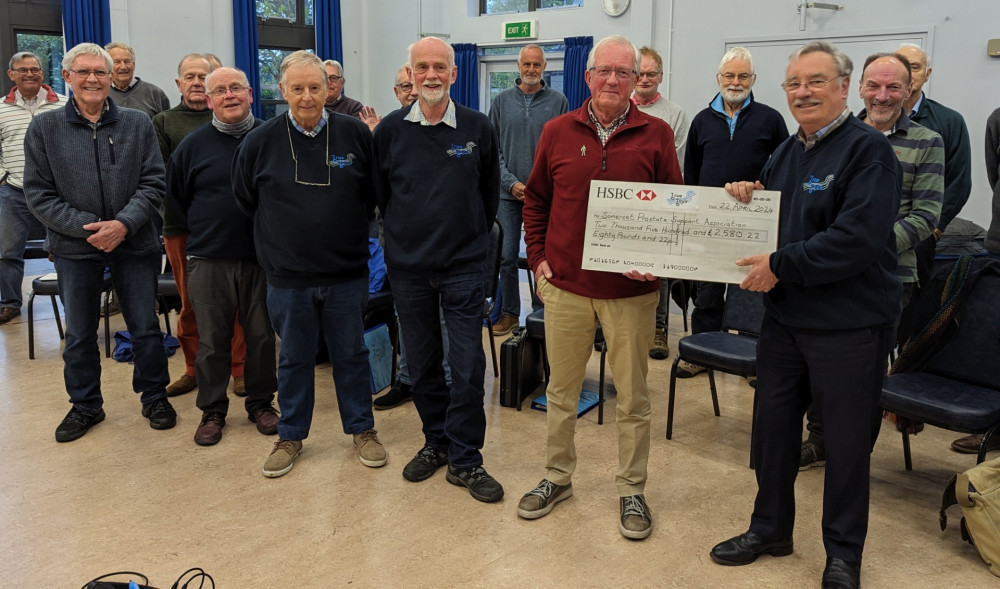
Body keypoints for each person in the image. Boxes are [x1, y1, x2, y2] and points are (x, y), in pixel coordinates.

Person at [708, 41, 901, 589]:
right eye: (794, 83)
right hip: (787, 323)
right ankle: (769, 527)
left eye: (816, 81)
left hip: (850, 326)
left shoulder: (870, 152)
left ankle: (844, 554)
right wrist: (749, 198)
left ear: (844, 87)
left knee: (843, 444)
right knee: (771, 432)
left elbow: (854, 242)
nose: (803, 92)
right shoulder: (787, 152)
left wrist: (779, 264)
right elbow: (778, 217)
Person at [517, 35, 682, 540]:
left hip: (632, 296)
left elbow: (676, 211)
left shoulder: (656, 135)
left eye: (624, 72)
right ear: (587, 77)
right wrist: (540, 261)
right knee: (561, 392)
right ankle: (556, 477)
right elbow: (536, 201)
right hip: (566, 288)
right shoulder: (557, 131)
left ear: (637, 80)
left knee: (633, 399)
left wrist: (653, 266)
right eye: (604, 71)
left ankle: (632, 487)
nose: (613, 80)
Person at [233, 50, 386, 477]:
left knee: (351, 355)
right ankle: (291, 434)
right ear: (282, 91)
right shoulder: (259, 141)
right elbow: (246, 198)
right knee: (294, 359)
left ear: (329, 90)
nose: (306, 97)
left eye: (315, 87)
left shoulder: (356, 135)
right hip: (288, 277)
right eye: (297, 88)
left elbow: (373, 195)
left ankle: (363, 429)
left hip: (345, 274)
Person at [23, 42, 177, 441]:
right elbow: (38, 194)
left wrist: (123, 224)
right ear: (68, 76)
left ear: (111, 78)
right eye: (84, 71)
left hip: (135, 242)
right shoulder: (44, 128)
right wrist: (91, 227)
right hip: (75, 247)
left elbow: (154, 182)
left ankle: (155, 395)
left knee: (144, 326)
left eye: (100, 72)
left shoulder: (137, 124)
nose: (93, 79)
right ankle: (85, 405)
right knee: (79, 332)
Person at [372, 37, 503, 503]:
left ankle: (467, 458)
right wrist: (406, 241)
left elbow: (488, 198)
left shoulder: (477, 127)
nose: (431, 74)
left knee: (467, 367)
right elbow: (383, 198)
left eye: (439, 66)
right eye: (421, 67)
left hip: (464, 269)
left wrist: (465, 240)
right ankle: (436, 442)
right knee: (423, 365)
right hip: (408, 271)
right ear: (410, 73)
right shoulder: (388, 131)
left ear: (453, 73)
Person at [799, 52, 944, 471]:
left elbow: (926, 217)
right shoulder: (831, 137)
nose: (882, 96)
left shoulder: (927, 142)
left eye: (893, 86)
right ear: (857, 87)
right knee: (817, 367)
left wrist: (862, 248)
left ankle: (852, 455)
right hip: (824, 275)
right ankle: (819, 441)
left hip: (888, 279)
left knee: (863, 376)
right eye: (874, 86)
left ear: (910, 89)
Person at [165, 66, 279, 446]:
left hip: (262, 259)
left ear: (250, 94)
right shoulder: (191, 146)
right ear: (209, 100)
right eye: (220, 90)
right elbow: (175, 206)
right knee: (213, 340)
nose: (229, 95)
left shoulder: (273, 138)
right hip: (208, 259)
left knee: (262, 337)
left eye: (236, 88)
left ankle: (262, 404)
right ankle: (212, 410)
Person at [676, 47, 788, 378]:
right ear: (718, 78)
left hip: (753, 226)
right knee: (707, 293)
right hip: (709, 226)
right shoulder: (701, 120)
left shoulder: (771, 119)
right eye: (729, 75)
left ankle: (754, 360)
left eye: (742, 76)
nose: (735, 82)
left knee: (752, 294)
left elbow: (783, 168)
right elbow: (691, 173)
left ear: (753, 80)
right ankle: (702, 353)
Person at [895, 44, 979, 456]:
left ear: (926, 74)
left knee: (910, 322)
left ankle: (898, 399)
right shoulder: (865, 122)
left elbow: (960, 182)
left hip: (922, 242)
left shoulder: (947, 122)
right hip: (866, 249)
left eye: (914, 67)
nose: (906, 74)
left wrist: (934, 226)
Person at [154, 53, 247, 398]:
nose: (196, 82)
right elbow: (163, 179)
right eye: (189, 77)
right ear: (179, 84)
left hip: (233, 231)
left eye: (202, 76)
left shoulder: (240, 122)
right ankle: (194, 368)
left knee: (238, 306)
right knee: (190, 303)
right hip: (183, 228)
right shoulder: (163, 122)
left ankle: (240, 369)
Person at [487, 44, 568, 337]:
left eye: (537, 65)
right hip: (508, 195)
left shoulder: (558, 101)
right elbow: (491, 150)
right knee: (506, 256)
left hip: (545, 196)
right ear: (518, 66)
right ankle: (509, 312)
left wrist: (537, 187)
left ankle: (540, 314)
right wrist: (512, 183)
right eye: (527, 64)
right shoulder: (500, 102)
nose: (531, 70)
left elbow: (563, 150)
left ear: (544, 67)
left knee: (543, 257)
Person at [0, 51, 68, 325]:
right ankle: (9, 302)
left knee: (65, 249)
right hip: (13, 191)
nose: (30, 74)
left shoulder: (63, 104)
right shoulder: (0, 109)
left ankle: (73, 298)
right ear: (11, 74)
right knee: (6, 251)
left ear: (43, 73)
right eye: (23, 69)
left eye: (35, 69)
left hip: (57, 193)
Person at [632, 46, 690, 360]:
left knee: (658, 272)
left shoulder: (674, 114)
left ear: (661, 77)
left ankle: (658, 329)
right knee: (619, 264)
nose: (644, 78)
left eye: (651, 73)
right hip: (622, 207)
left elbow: (674, 165)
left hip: (659, 205)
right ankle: (614, 328)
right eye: (639, 72)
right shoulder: (619, 107)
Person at [105, 42, 170, 119]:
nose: (123, 67)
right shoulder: (102, 93)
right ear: (108, 66)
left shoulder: (155, 93)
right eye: (117, 62)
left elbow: (166, 126)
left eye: (127, 61)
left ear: (134, 65)